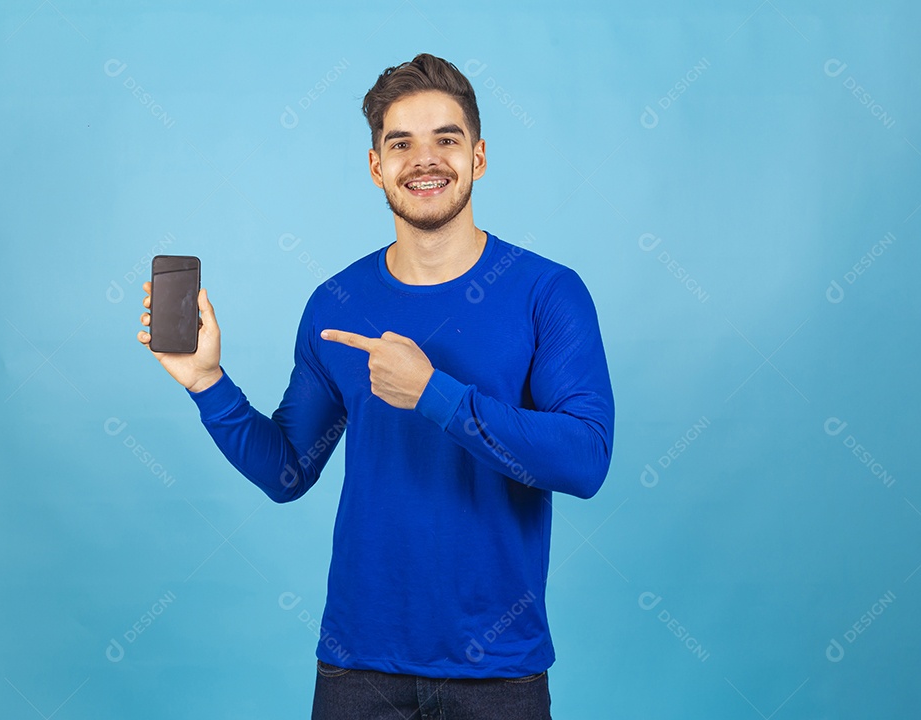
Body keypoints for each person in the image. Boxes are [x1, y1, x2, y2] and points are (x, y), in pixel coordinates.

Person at [137, 52, 615, 720]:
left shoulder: (547, 292)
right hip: (356, 668)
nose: (425, 159)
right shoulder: (336, 302)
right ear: (375, 167)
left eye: (446, 139)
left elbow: (586, 458)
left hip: (500, 674)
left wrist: (435, 394)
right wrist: (207, 382)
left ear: (478, 157)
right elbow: (287, 473)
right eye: (401, 143)